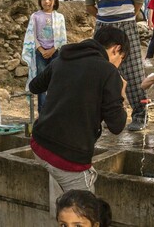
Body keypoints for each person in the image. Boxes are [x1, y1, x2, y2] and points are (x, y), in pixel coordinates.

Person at [29, 26, 129, 192]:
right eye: (122, 58)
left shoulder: (63, 58)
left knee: (64, 204)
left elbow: (34, 86)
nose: (119, 64)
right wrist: (121, 94)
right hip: (68, 157)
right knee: (85, 213)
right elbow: (117, 125)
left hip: (39, 144)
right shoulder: (109, 72)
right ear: (116, 49)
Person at [84, 0, 147, 131]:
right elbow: (89, 5)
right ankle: (101, 116)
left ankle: (140, 116)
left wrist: (132, 14)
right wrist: (104, 18)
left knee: (134, 70)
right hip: (103, 28)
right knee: (100, 70)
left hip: (127, 25)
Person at [22, 0, 67, 113]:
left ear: (55, 1)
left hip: (55, 53)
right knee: (42, 81)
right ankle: (42, 112)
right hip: (40, 53)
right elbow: (32, 36)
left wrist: (53, 50)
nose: (47, 1)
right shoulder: (35, 16)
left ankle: (55, 111)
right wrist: (41, 50)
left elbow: (62, 37)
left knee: (55, 81)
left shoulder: (59, 17)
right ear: (40, 1)